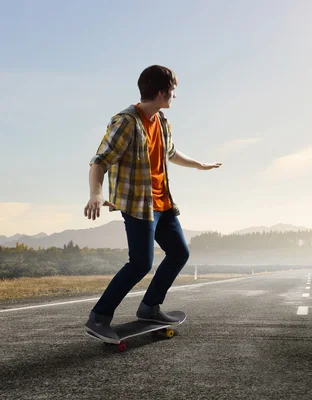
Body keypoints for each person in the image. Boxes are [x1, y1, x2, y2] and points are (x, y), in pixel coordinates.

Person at [83, 65, 221, 343]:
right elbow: (100, 160)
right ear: (161, 92)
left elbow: (170, 152)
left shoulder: (162, 122)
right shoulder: (126, 122)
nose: (174, 96)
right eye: (173, 91)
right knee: (140, 264)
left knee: (179, 253)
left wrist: (199, 165)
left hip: (163, 203)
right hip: (138, 204)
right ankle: (99, 318)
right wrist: (96, 193)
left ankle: (149, 307)